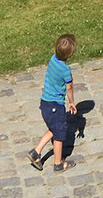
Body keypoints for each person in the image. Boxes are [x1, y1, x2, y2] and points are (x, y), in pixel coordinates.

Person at [29, 32, 78, 172]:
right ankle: (58, 163)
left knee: (53, 128)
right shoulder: (65, 70)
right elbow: (69, 87)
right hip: (56, 106)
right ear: (70, 54)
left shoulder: (52, 59)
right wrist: (72, 102)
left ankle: (36, 152)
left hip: (45, 103)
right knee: (59, 135)